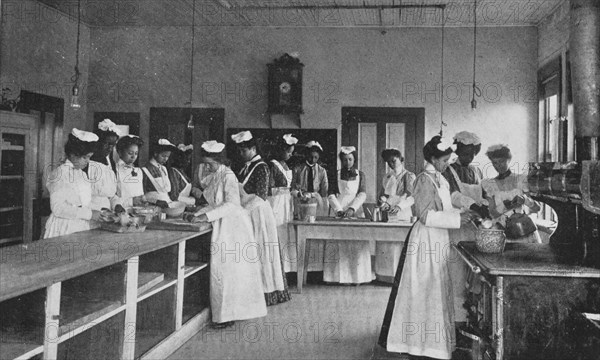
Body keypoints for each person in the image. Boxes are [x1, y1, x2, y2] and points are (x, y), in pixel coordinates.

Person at [379, 136, 473, 359]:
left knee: (437, 290)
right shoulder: (423, 179)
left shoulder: (441, 179)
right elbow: (425, 215)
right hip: (425, 241)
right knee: (424, 290)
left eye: (449, 160)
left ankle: (435, 345)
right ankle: (418, 345)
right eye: (443, 160)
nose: (447, 164)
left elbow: (446, 209)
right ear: (432, 158)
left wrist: (463, 214)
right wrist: (458, 220)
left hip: (439, 238)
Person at [185, 140, 267, 328]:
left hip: (234, 227)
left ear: (220, 161)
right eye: (205, 163)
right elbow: (213, 201)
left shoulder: (228, 176)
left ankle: (228, 315)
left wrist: (205, 216)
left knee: (227, 272)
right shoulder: (216, 174)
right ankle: (224, 314)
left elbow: (231, 204)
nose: (207, 167)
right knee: (223, 272)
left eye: (210, 164)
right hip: (223, 223)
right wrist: (196, 214)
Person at [232, 130, 290, 306]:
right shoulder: (246, 167)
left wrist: (242, 211)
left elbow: (261, 196)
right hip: (248, 212)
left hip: (258, 213)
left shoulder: (262, 167)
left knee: (262, 251)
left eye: (244, 151)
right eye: (240, 151)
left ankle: (266, 291)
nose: (241, 154)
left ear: (253, 149)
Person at [441, 131, 489, 322]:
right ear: (458, 150)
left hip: (475, 229)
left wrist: (486, 205)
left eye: (472, 154)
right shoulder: (448, 170)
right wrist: (474, 206)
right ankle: (455, 319)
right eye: (465, 153)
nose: (468, 157)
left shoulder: (477, 171)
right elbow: (454, 196)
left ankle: (472, 316)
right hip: (457, 226)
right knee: (457, 273)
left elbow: (484, 195)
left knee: (476, 273)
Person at [324, 146, 372, 284]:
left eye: (350, 159)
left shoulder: (360, 174)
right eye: (344, 160)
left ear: (354, 160)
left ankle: (357, 278)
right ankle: (334, 277)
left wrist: (352, 208)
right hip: (338, 208)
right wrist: (338, 210)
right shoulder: (336, 174)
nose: (347, 162)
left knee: (355, 242)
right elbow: (331, 193)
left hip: (355, 209)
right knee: (337, 241)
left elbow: (362, 194)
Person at [43, 129, 102, 238]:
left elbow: (83, 202)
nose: (88, 161)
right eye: (85, 157)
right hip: (64, 227)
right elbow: (58, 208)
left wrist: (98, 212)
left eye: (89, 157)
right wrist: (89, 214)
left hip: (81, 226)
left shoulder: (82, 175)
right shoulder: (60, 174)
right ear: (73, 154)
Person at [482, 144, 542, 243]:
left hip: (525, 230)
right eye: (495, 163)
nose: (498, 166)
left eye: (501, 161)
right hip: (504, 233)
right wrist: (505, 206)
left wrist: (525, 200)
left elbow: (537, 208)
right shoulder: (489, 184)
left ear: (508, 159)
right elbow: (492, 214)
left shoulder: (521, 179)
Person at [375, 148, 416, 283]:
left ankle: (400, 278)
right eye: (389, 162)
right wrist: (383, 203)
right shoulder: (387, 177)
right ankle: (385, 276)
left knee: (399, 243)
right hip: (389, 212)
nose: (392, 164)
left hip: (402, 211)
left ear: (401, 159)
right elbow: (383, 195)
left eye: (394, 161)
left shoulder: (409, 176)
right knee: (387, 243)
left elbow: (411, 196)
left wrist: (398, 206)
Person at [290, 140, 329, 272]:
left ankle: (316, 269)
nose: (313, 159)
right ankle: (301, 267)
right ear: (306, 155)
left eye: (316, 157)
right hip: (302, 201)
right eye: (311, 156)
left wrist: (323, 203)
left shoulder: (322, 171)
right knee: (301, 232)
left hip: (316, 202)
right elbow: (292, 187)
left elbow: (324, 191)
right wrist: (299, 194)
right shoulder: (298, 169)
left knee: (316, 232)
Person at [268, 134, 297, 273]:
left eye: (292, 152)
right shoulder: (273, 165)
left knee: (286, 233)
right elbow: (270, 188)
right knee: (277, 232)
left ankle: (286, 269)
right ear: (280, 149)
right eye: (288, 152)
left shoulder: (285, 165)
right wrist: (285, 190)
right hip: (276, 203)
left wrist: (293, 192)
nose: (290, 155)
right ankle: (276, 269)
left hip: (286, 203)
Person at [88, 119, 124, 227]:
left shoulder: (110, 164)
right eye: (107, 143)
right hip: (90, 216)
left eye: (113, 145)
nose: (110, 148)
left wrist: (117, 205)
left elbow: (111, 195)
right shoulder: (86, 163)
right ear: (98, 142)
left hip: (107, 217)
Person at [113, 135, 146, 209]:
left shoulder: (139, 171)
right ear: (120, 152)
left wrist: (143, 199)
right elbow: (112, 197)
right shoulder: (115, 170)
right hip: (122, 210)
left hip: (138, 210)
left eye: (136, 153)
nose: (133, 156)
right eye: (130, 153)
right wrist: (131, 201)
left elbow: (140, 192)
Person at [143, 138, 177, 208]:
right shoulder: (145, 169)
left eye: (167, 156)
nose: (165, 159)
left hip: (167, 203)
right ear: (155, 153)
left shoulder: (163, 169)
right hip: (152, 205)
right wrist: (155, 201)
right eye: (163, 156)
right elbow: (142, 193)